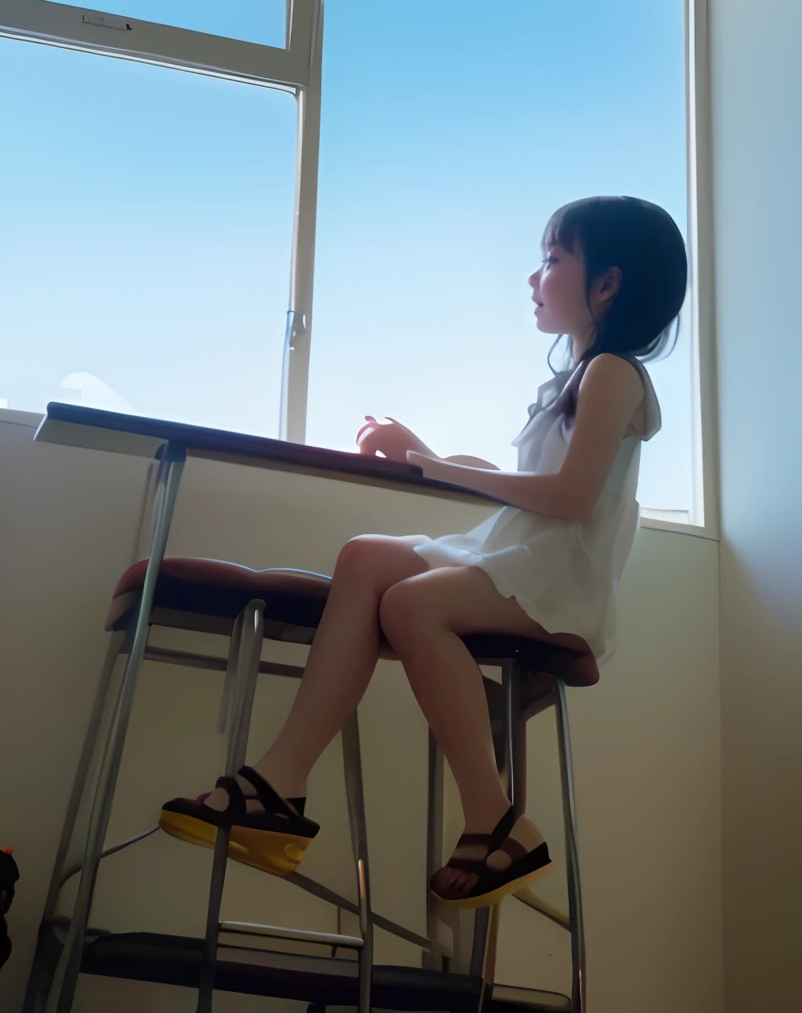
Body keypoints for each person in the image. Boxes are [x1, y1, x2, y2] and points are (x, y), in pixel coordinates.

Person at [160, 195, 687, 909]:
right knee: (365, 556)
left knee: (410, 603)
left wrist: (429, 466)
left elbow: (569, 498)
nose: (534, 278)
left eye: (552, 259)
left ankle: (494, 819)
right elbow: (525, 488)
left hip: (556, 584)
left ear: (608, 285)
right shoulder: (576, 378)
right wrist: (426, 455)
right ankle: (281, 781)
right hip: (518, 561)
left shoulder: (613, 372)